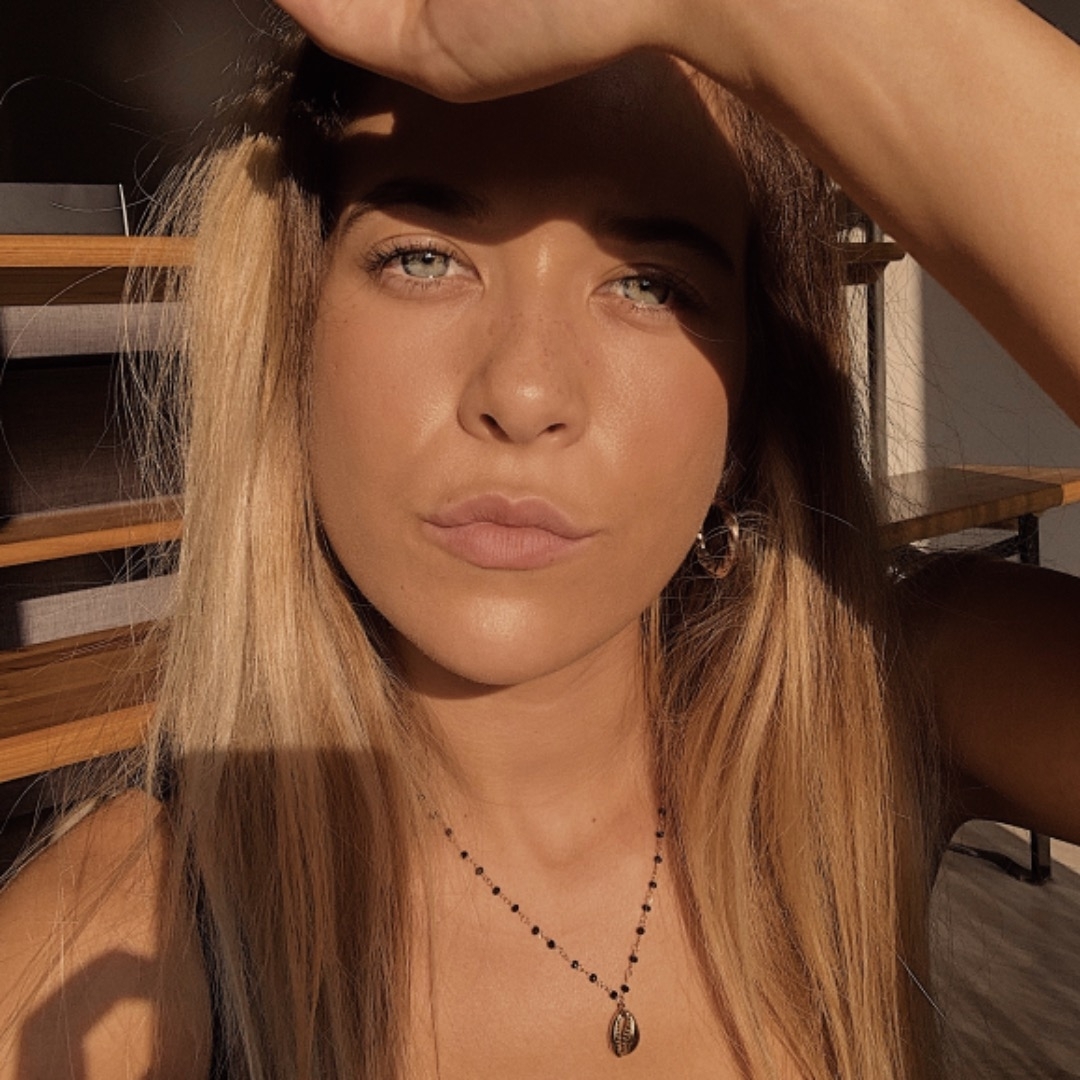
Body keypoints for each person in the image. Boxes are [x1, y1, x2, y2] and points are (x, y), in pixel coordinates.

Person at [2, 1, 1079, 1077]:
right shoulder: (109, 937)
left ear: (750, 403)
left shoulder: (892, 697)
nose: (523, 393)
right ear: (293, 331)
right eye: (424, 259)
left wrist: (754, 13)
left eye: (648, 285)